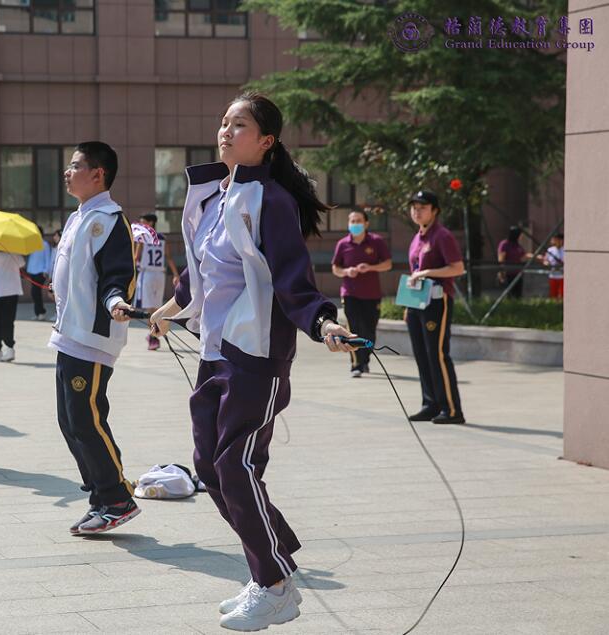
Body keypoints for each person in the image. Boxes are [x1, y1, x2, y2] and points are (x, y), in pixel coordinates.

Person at [149, 93, 356, 632]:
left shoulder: (271, 200)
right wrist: (169, 309)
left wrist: (324, 323)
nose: (226, 130)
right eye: (224, 122)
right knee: (207, 467)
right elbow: (200, 272)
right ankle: (273, 559)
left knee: (235, 467)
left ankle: (275, 585)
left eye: (238, 124)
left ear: (266, 141)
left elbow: (293, 278)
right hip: (214, 352)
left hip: (256, 354)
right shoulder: (214, 195)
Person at [51, 141, 140, 535]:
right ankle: (103, 497)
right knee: (70, 421)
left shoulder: (109, 219)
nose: (67, 172)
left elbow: (118, 275)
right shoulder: (80, 216)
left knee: (86, 420)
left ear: (98, 174)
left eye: (75, 166)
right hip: (69, 333)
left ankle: (117, 498)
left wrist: (116, 300)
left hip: (92, 336)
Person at [404, 190, 466, 425]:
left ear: (435, 210)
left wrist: (427, 272)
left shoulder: (442, 236)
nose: (417, 211)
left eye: (422, 207)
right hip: (417, 303)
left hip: (437, 302)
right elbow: (414, 272)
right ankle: (430, 404)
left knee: (437, 354)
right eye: (414, 207)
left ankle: (452, 409)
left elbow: (457, 268)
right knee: (421, 354)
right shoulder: (417, 237)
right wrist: (408, 306)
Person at [331, 209, 392, 377]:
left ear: (366, 224)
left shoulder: (376, 241)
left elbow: (387, 264)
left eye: (358, 221)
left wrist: (370, 267)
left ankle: (365, 360)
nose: (355, 224)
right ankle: (356, 364)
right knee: (353, 328)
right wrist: (346, 271)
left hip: (372, 294)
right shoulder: (343, 244)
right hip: (350, 293)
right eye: (352, 221)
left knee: (369, 330)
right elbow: (336, 268)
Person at [134, 213, 180, 351]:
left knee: (150, 308)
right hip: (160, 275)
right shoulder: (163, 238)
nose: (141, 225)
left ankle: (152, 336)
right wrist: (175, 274)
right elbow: (168, 257)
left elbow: (136, 257)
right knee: (155, 306)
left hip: (147, 274)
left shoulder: (143, 238)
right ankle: (153, 335)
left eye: (143, 222)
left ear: (151, 223)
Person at [25, 226, 53, 321]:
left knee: (36, 292)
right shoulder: (32, 244)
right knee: (34, 293)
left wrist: (46, 270)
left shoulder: (44, 244)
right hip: (32, 271)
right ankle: (38, 313)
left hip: (41, 272)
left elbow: (48, 258)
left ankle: (41, 312)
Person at [496, 226, 531, 299]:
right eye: (520, 235)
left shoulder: (517, 245)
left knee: (518, 295)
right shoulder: (504, 244)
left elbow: (523, 256)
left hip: (518, 273)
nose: (521, 237)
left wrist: (537, 257)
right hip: (508, 273)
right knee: (509, 294)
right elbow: (501, 259)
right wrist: (501, 272)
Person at [539, 233, 565, 299]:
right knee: (553, 295)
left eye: (559, 240)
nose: (557, 241)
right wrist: (547, 264)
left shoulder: (565, 250)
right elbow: (545, 260)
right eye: (556, 240)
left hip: (563, 276)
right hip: (552, 275)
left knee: (562, 294)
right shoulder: (550, 250)